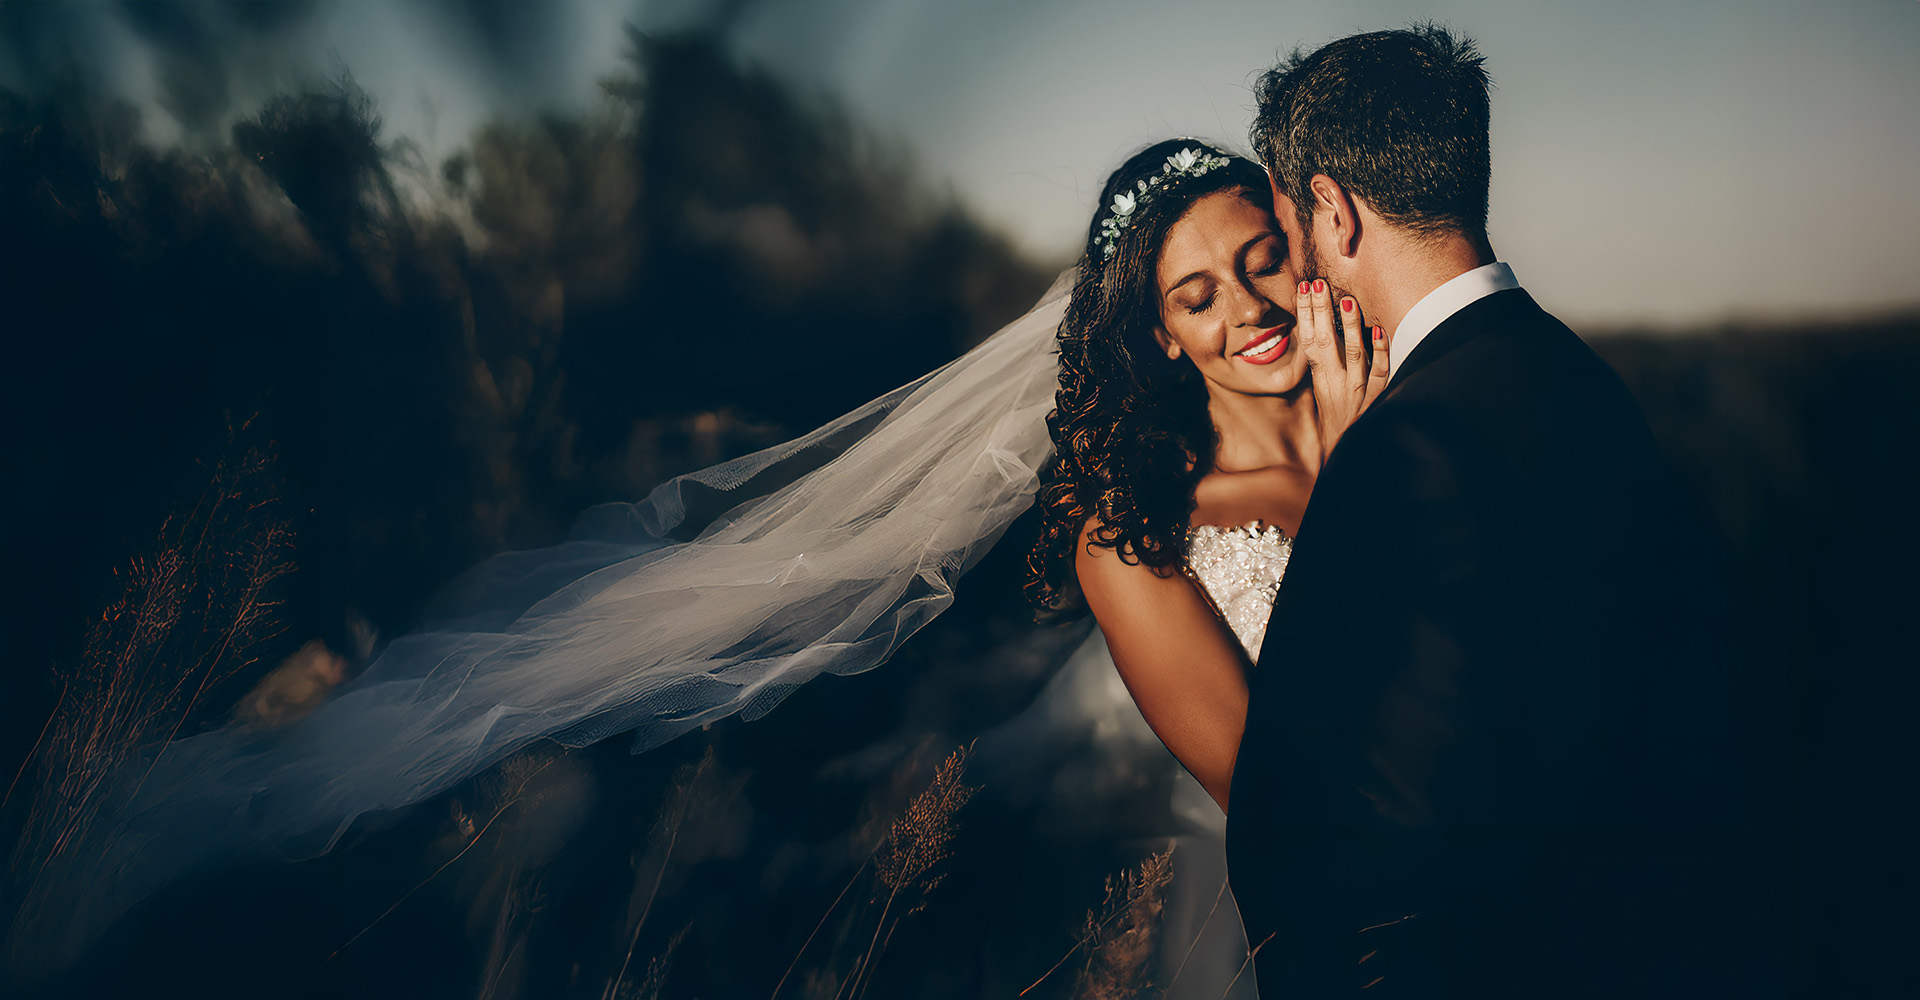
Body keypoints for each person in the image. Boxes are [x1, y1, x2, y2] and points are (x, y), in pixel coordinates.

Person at [1222, 25, 1772, 996]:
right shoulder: (1587, 380)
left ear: (1333, 212)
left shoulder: (1400, 446)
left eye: (1290, 221)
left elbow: (1377, 815)